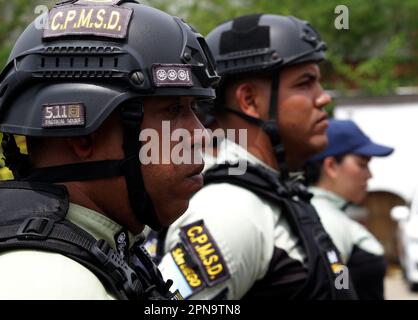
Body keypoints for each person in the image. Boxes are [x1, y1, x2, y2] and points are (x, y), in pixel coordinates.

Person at [0, 0, 219, 300]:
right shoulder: (46, 284)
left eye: (194, 109)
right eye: (173, 109)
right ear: (84, 135)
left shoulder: (110, 250)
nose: (201, 136)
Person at [153, 14, 357, 300]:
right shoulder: (230, 212)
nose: (323, 98)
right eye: (305, 83)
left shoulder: (273, 195)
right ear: (249, 100)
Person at [306, 119, 394, 300]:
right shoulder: (324, 218)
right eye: (362, 164)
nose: (369, 175)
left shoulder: (327, 212)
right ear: (331, 166)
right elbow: (339, 288)